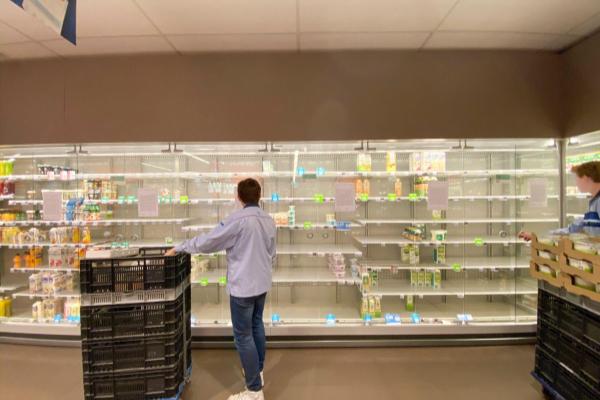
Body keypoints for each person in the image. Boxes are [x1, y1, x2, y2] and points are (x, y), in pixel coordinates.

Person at [166, 178, 276, 400]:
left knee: (243, 336)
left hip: (243, 287)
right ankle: (258, 371)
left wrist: (181, 247)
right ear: (259, 195)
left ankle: (254, 391)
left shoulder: (237, 220)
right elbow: (271, 253)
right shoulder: (268, 220)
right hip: (262, 284)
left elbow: (208, 242)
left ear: (238, 196)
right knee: (257, 326)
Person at [519, 161, 600, 241]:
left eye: (577, 178)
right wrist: (537, 237)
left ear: (586, 178)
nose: (576, 183)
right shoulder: (593, 203)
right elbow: (572, 229)